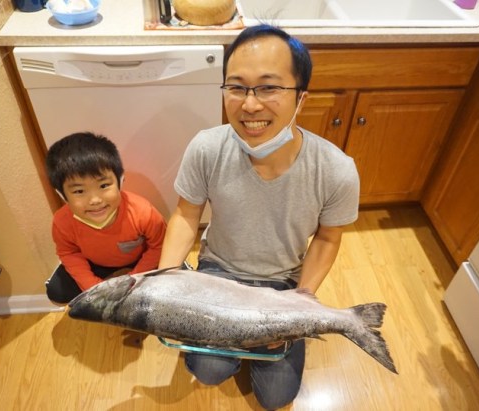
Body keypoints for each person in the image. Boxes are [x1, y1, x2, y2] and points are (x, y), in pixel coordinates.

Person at [158, 25, 360, 410]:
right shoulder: (207, 148)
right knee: (209, 370)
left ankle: (246, 347)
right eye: (237, 87)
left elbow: (328, 238)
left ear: (301, 97)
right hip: (218, 273)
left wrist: (301, 302)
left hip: (283, 282)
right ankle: (231, 351)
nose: (250, 105)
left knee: (275, 398)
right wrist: (165, 283)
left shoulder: (336, 170)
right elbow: (186, 214)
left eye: (268, 87)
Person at [45, 132, 166, 304]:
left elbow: (158, 246)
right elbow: (69, 253)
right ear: (62, 195)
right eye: (79, 191)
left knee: (174, 277)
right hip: (95, 263)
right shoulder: (62, 222)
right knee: (57, 291)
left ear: (120, 181)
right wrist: (95, 287)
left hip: (140, 259)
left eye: (104, 185)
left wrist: (133, 281)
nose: (95, 200)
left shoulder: (143, 211)